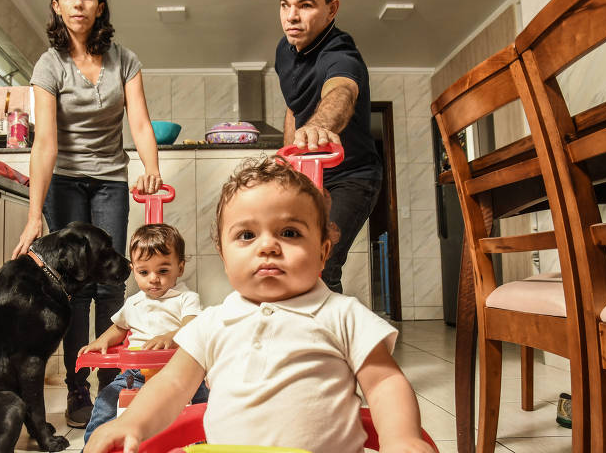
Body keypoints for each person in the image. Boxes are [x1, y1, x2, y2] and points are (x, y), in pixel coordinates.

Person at [83, 157, 432, 453]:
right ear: (223, 254)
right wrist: (130, 424)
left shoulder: (344, 315)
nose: (267, 246)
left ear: (324, 251)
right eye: (246, 235)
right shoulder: (212, 323)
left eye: (290, 233)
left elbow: (385, 382)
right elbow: (171, 386)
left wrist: (401, 437)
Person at [10, 0, 163, 428]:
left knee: (112, 282)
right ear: (58, 6)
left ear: (100, 7)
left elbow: (139, 122)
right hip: (66, 180)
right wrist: (35, 216)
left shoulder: (125, 60)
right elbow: (46, 143)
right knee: (74, 288)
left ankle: (111, 385)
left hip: (111, 179)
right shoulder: (48, 64)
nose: (79, 3)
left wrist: (151, 166)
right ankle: (79, 387)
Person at [275, 0, 382, 294]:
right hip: (307, 174)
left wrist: (320, 126)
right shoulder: (284, 50)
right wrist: (288, 160)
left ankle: (326, 343)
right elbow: (294, 106)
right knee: (287, 258)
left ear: (331, 9)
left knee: (320, 260)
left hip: (352, 177)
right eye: (284, 5)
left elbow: (342, 92)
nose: (291, 16)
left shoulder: (340, 52)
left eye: (305, 5)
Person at [79, 223, 208, 445]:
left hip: (180, 370)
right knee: (105, 402)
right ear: (133, 269)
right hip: (135, 375)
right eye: (144, 272)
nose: (154, 278)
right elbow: (119, 328)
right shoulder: (133, 303)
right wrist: (101, 341)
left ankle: (203, 444)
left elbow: (193, 325)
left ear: (181, 267)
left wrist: (171, 337)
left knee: (205, 406)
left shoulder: (186, 298)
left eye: (163, 271)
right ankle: (93, 445)